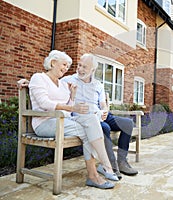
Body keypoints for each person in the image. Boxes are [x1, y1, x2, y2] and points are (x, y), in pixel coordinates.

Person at [24, 50, 118, 190]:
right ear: (53, 62)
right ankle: (99, 172)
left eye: (68, 66)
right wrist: (73, 108)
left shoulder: (62, 84)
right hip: (44, 123)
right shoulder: (39, 78)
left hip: (63, 122)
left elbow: (68, 109)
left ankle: (102, 169)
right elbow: (44, 104)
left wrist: (72, 97)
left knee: (91, 119)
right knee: (89, 131)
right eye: (64, 65)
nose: (66, 69)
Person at [62, 53, 138, 179]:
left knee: (127, 124)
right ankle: (111, 166)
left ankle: (122, 161)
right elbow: (50, 82)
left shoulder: (98, 84)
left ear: (92, 70)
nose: (80, 69)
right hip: (85, 118)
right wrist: (26, 82)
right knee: (105, 128)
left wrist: (105, 111)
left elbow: (103, 104)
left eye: (84, 67)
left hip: (99, 114)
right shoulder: (68, 80)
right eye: (79, 65)